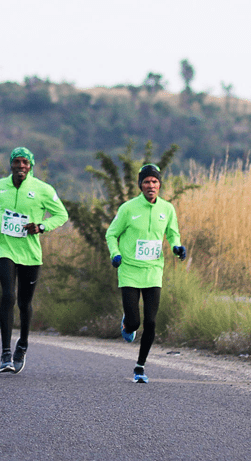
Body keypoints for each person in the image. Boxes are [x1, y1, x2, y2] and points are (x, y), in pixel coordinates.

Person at [0, 147, 68, 374]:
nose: (21, 166)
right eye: (17, 162)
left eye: (25, 162)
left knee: (24, 302)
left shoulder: (42, 189)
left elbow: (62, 215)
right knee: (8, 296)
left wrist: (41, 227)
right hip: (6, 249)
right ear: (10, 164)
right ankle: (5, 353)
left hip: (31, 253)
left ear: (30, 165)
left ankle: (22, 344)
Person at [105, 163, 186, 383]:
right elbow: (111, 234)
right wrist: (115, 254)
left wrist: (176, 247)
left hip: (153, 271)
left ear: (160, 185)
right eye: (147, 181)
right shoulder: (128, 208)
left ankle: (140, 367)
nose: (151, 185)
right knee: (134, 322)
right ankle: (127, 324)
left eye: (155, 181)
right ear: (140, 184)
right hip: (129, 270)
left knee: (150, 322)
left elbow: (172, 234)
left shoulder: (167, 209)